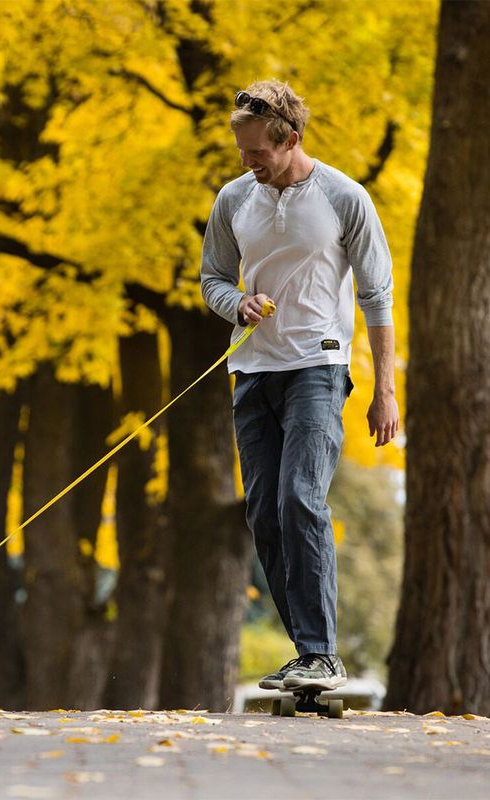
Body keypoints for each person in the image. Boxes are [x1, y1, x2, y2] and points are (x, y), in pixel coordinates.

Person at [200, 80, 399, 692]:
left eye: (257, 152)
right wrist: (238, 302)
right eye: (242, 152)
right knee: (264, 514)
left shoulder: (344, 197)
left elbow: (376, 296)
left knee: (299, 496)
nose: (247, 163)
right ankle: (310, 654)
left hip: (319, 366)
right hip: (252, 372)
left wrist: (384, 390)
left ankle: (319, 651)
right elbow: (211, 278)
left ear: (290, 140)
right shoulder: (234, 199)